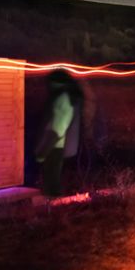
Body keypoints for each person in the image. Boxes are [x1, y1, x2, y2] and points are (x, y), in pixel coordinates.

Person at [34, 69, 85, 199]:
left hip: (56, 145)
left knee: (51, 182)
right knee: (53, 179)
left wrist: (43, 150)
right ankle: (55, 210)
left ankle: (54, 210)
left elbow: (58, 127)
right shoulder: (68, 95)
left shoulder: (62, 97)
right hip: (61, 144)